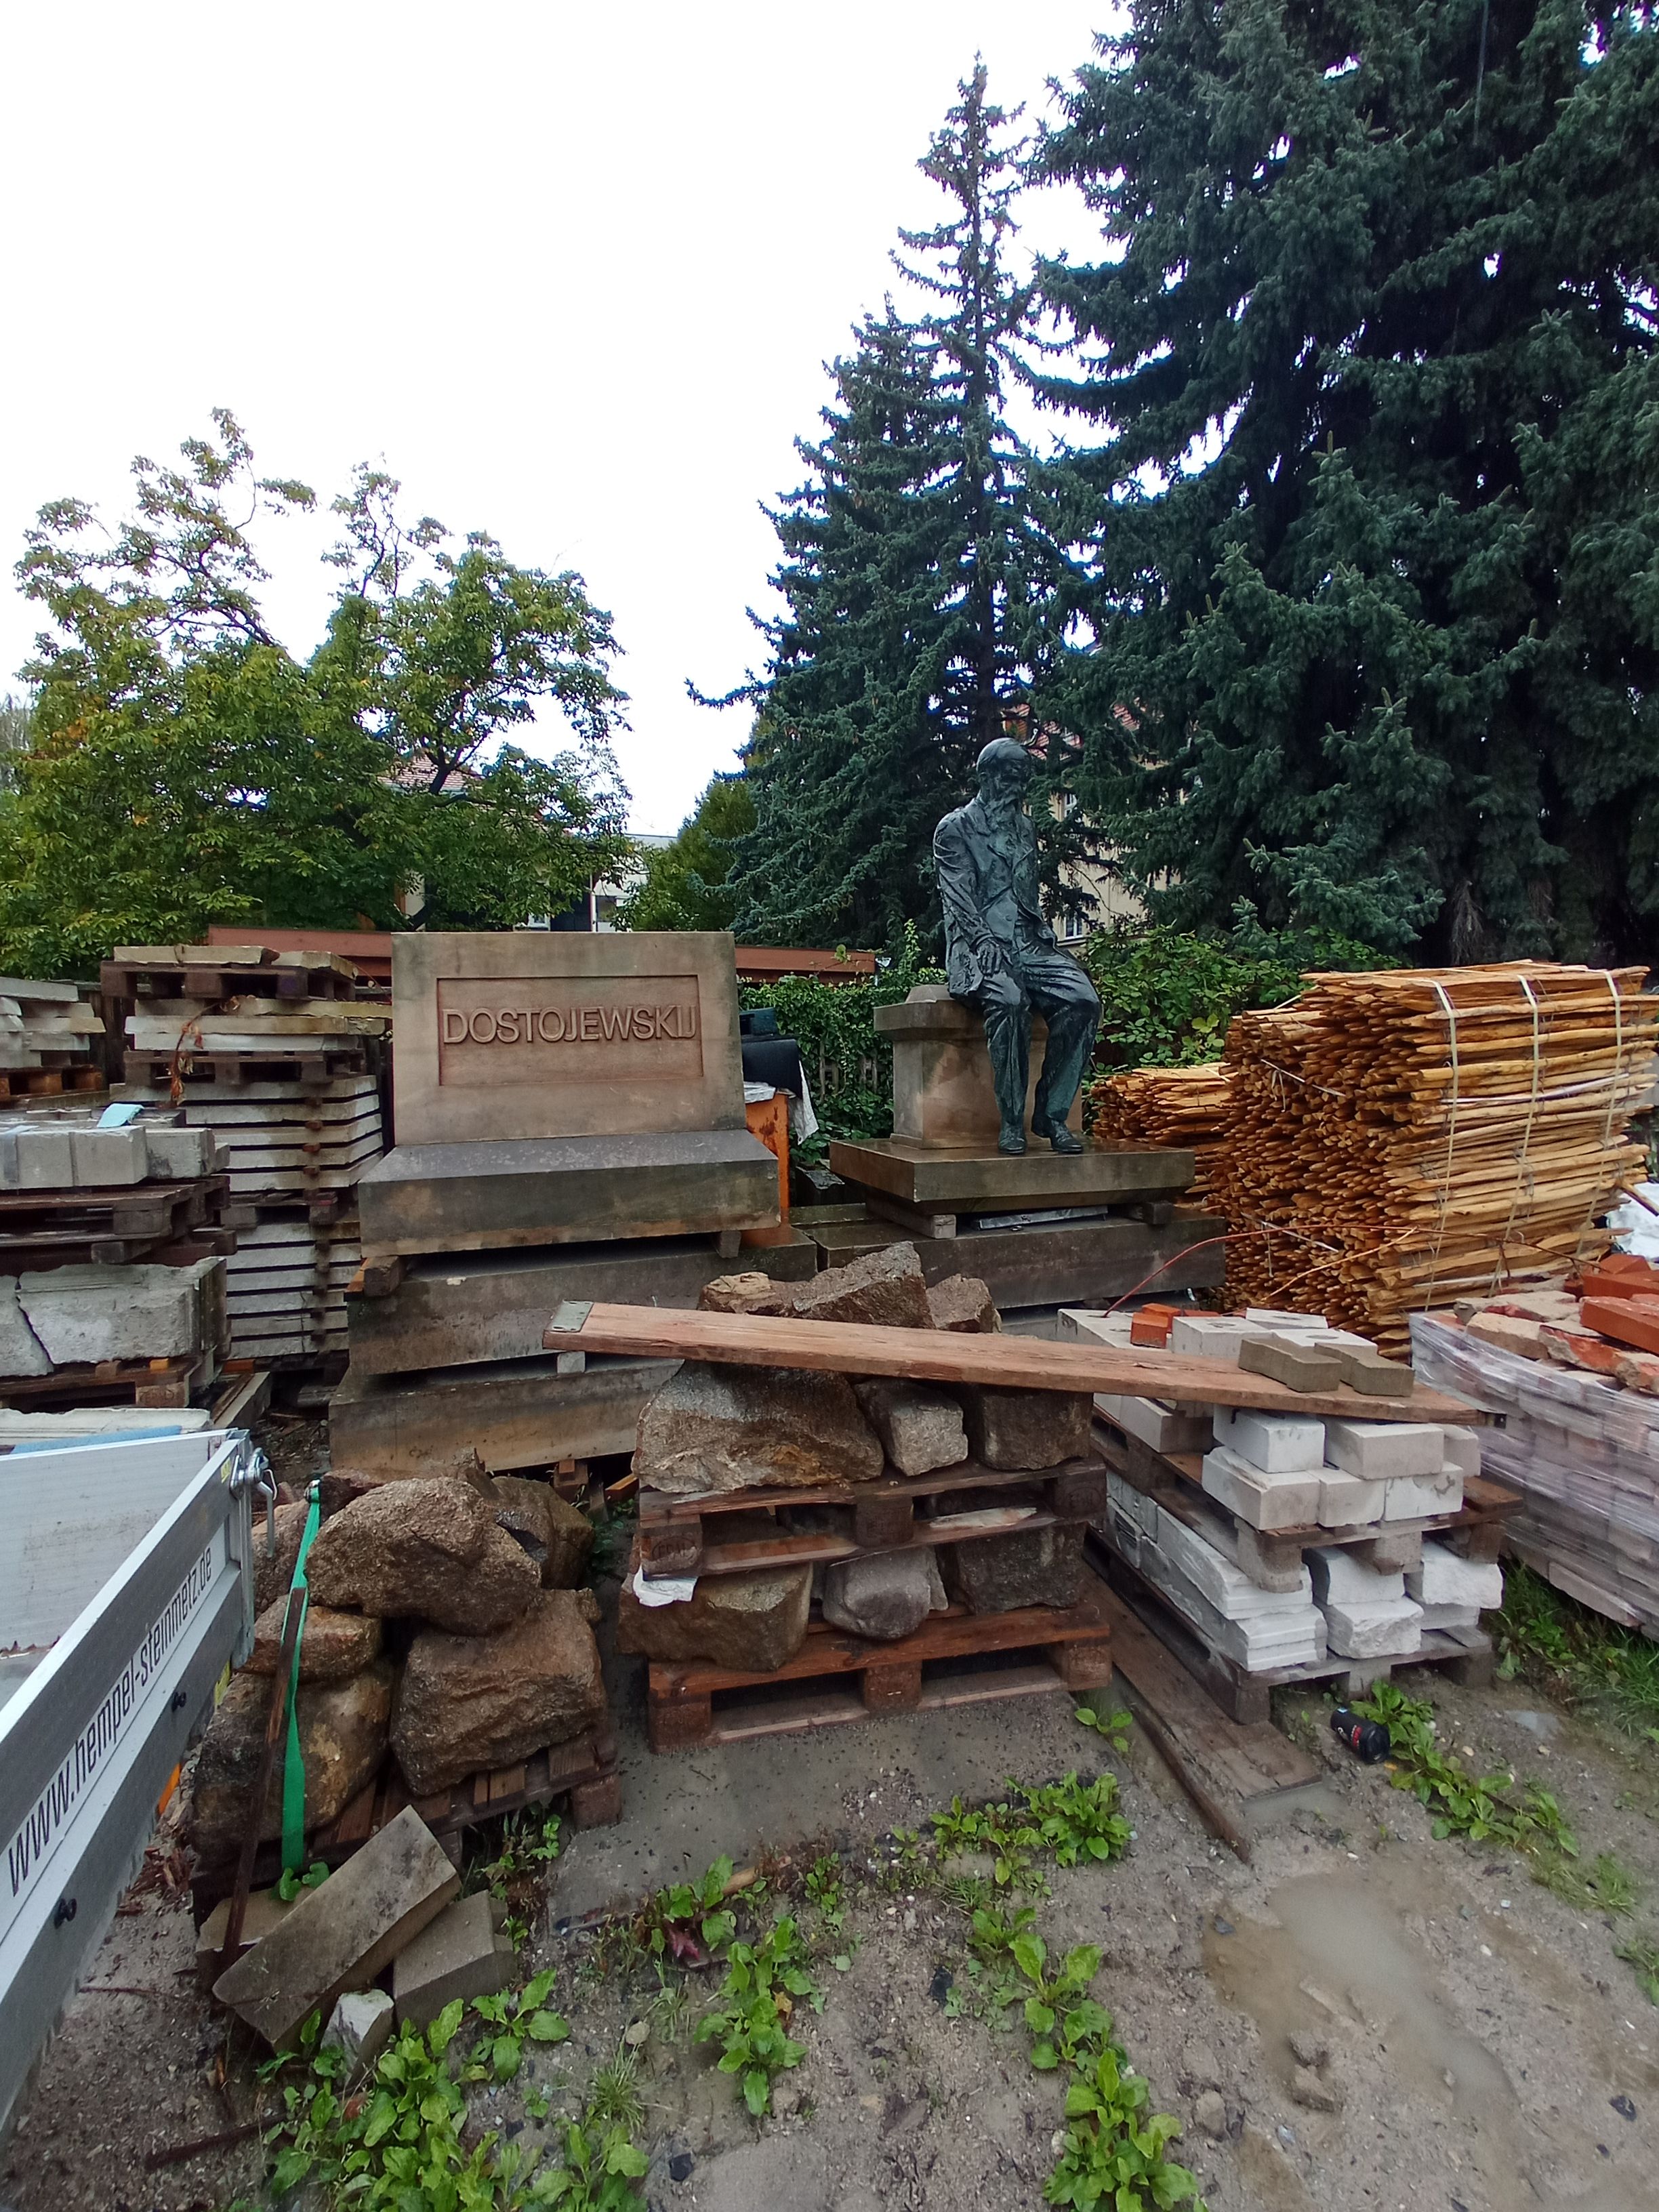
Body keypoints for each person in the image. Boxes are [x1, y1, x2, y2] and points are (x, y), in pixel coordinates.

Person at [933, 737, 1101, 1155]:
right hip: (979, 944)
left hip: (1028, 941)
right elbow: (958, 895)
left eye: (1023, 780)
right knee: (1010, 1001)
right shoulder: (955, 828)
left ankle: (1051, 1115)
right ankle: (1012, 1121)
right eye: (1012, 778)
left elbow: (1025, 895)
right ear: (986, 775)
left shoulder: (1025, 827)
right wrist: (983, 939)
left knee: (1084, 1001)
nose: (1019, 789)